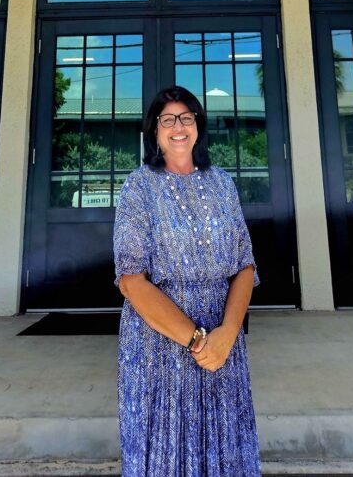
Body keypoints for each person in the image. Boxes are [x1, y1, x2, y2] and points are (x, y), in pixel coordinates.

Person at [113, 85, 261, 476]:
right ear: (155, 131)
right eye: (167, 119)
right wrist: (197, 340)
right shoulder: (139, 187)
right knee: (165, 451)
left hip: (223, 342)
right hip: (159, 347)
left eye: (186, 117)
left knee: (224, 444)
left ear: (197, 126)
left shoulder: (222, 184)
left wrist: (227, 332)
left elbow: (244, 266)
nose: (178, 126)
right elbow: (131, 280)